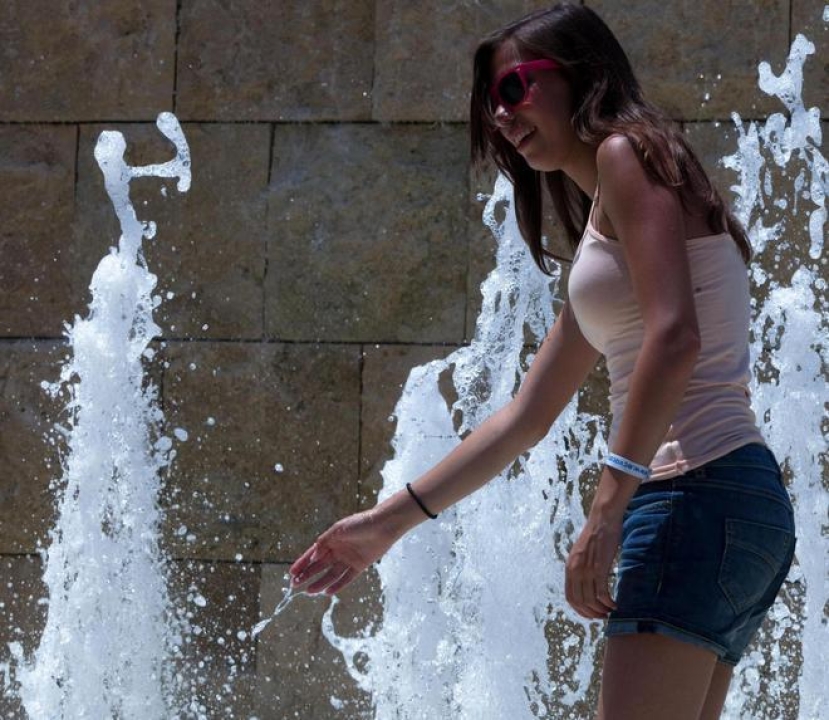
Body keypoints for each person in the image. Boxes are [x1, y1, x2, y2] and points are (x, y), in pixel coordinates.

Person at [288, 4, 797, 719]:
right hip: (728, 504)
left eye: (512, 89)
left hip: (694, 493)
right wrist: (382, 525)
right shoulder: (606, 236)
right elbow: (523, 418)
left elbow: (674, 337)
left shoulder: (630, 152)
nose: (500, 117)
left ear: (579, 76)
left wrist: (606, 506)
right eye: (488, 102)